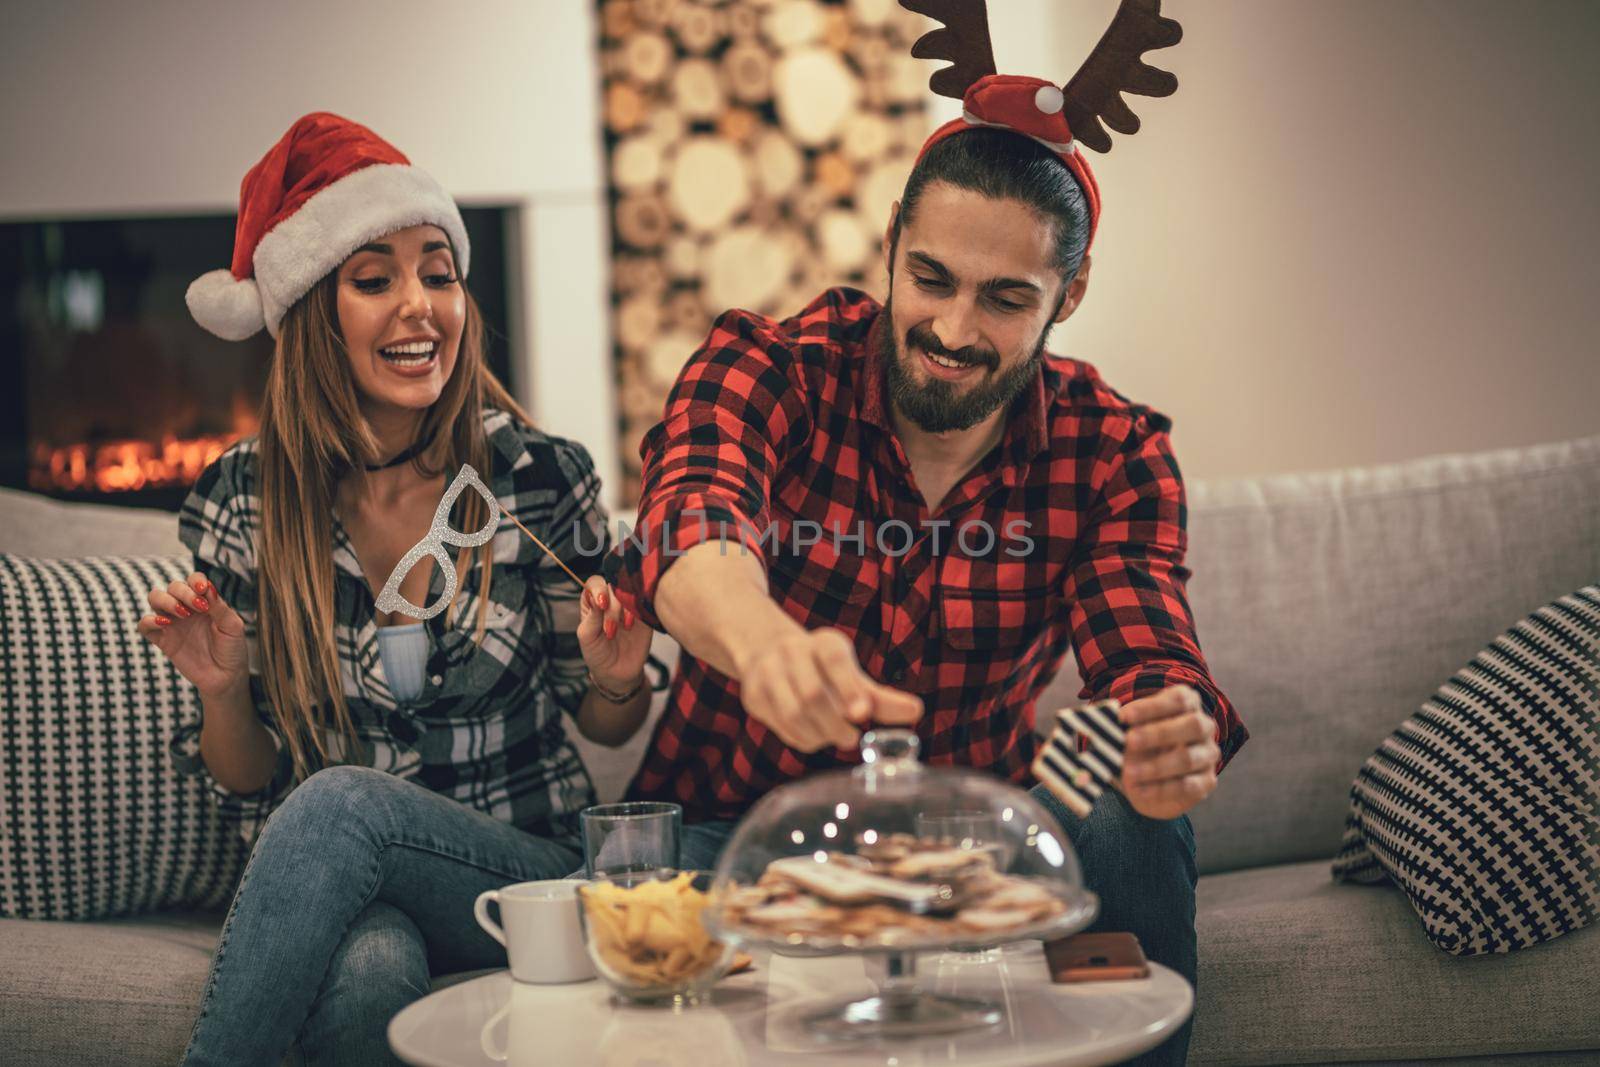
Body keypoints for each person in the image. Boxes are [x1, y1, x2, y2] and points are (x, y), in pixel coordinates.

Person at [607, 68, 1248, 1067]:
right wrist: (766, 644)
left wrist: (1169, 729)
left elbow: (1144, 650)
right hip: (727, 838)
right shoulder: (771, 367)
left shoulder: (1111, 449)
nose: (952, 331)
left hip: (968, 851)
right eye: (932, 279)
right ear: (894, 245)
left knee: (1129, 803)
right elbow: (690, 523)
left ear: (1067, 295)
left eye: (1004, 299)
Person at [139, 112, 651, 1067]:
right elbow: (245, 778)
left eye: (439, 273)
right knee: (370, 969)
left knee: (343, 802)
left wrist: (616, 676)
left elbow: (610, 727)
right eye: (374, 280)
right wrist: (222, 690)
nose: (420, 305)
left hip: (525, 875)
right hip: (359, 887)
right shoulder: (243, 498)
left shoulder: (536, 473)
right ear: (308, 317)